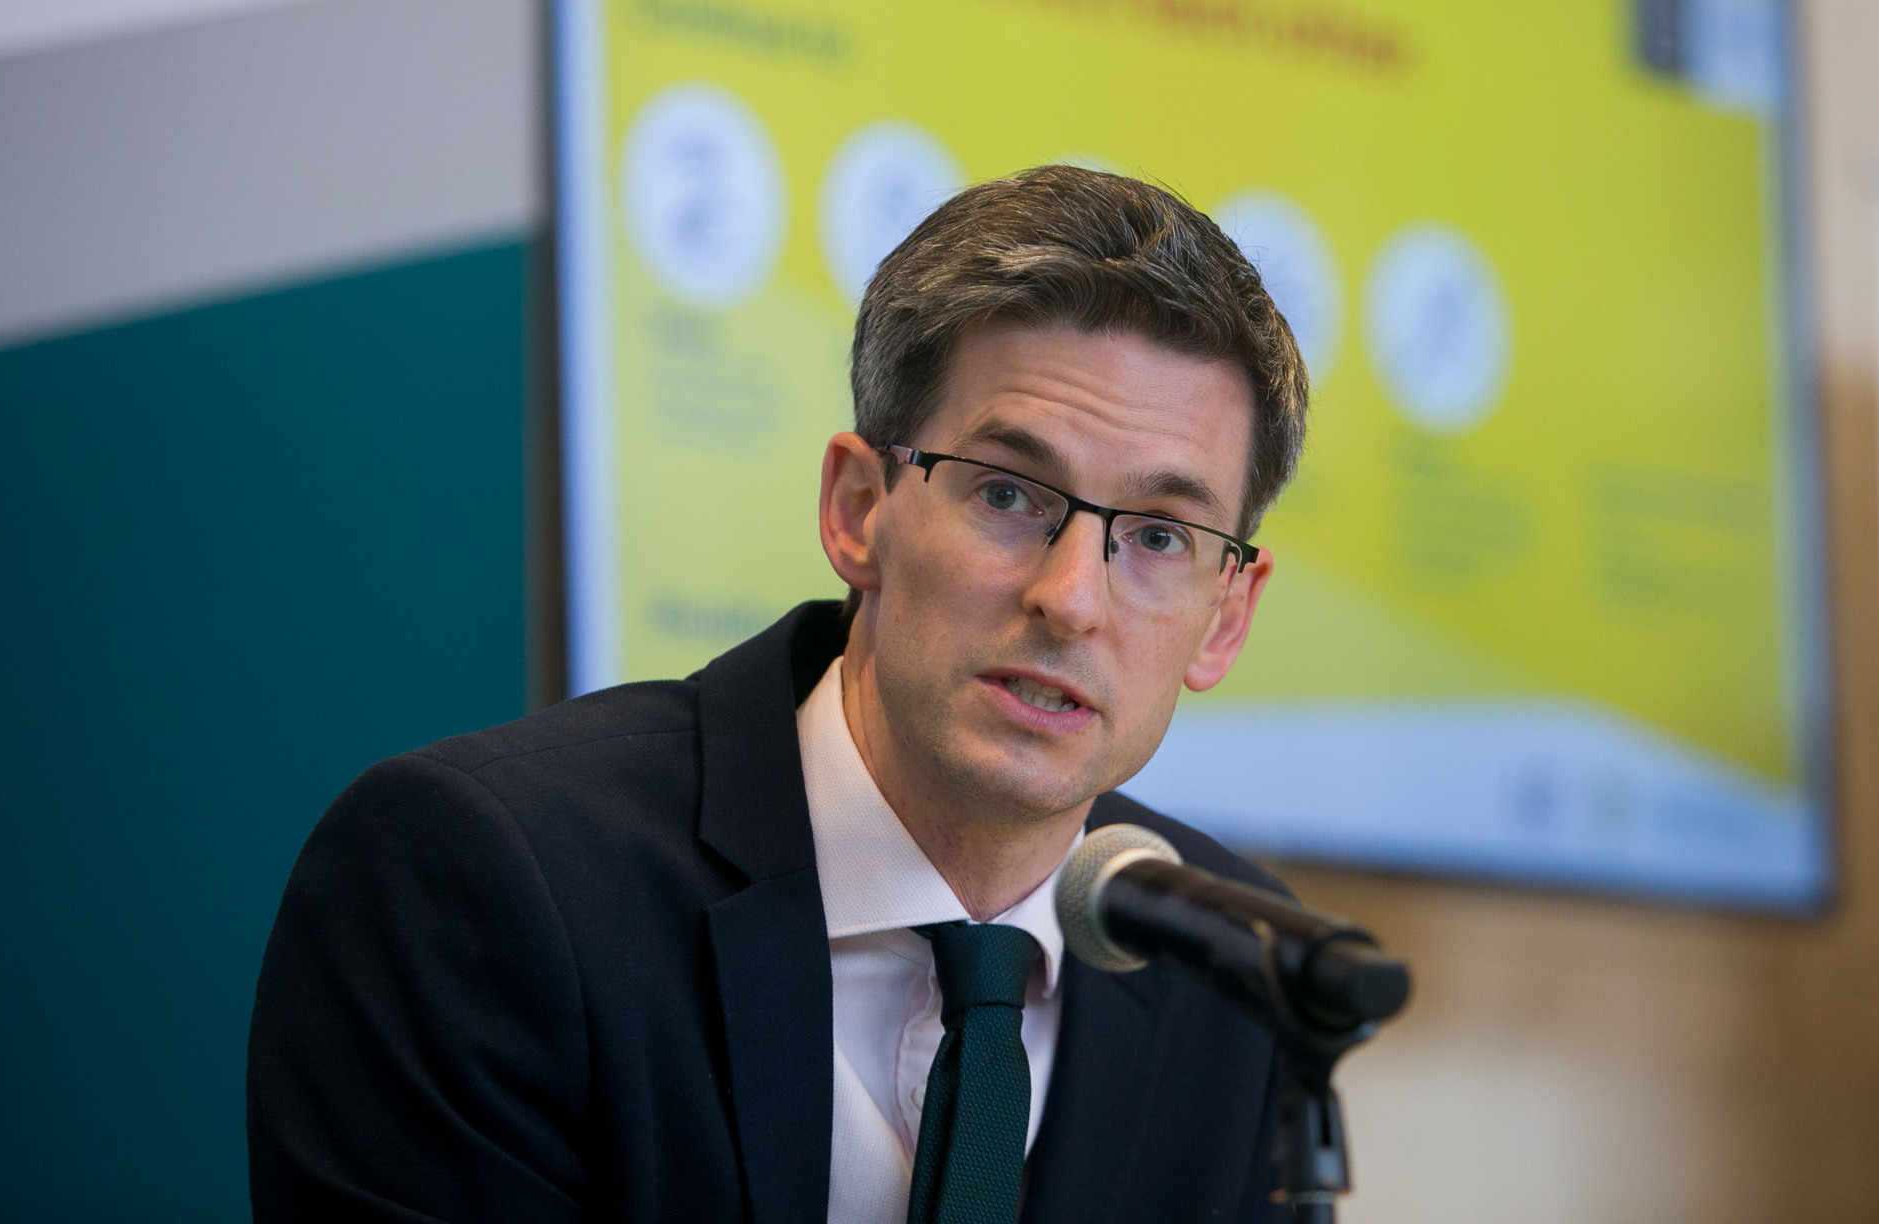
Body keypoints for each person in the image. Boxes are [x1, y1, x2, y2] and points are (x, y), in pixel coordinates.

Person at [247, 164, 1309, 1224]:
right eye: (1006, 493)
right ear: (858, 510)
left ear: (1226, 615)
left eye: (1160, 537)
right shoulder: (488, 879)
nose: (1070, 599)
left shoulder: (1239, 977)